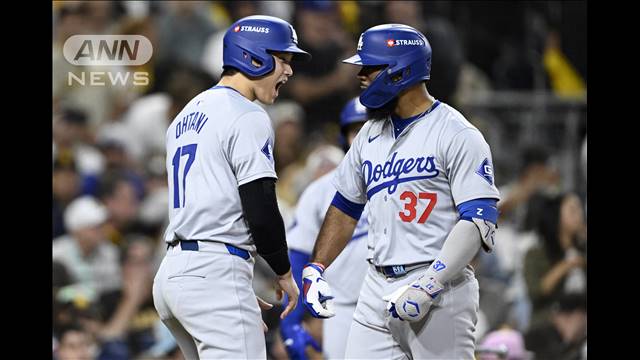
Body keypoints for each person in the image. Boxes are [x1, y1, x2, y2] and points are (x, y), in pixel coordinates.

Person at [301, 24, 501, 358]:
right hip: (375, 284)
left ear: (400, 70)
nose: (361, 75)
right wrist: (316, 267)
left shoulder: (456, 133)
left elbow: (479, 219)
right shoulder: (368, 135)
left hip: (440, 288)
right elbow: (345, 206)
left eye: (370, 67)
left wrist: (431, 283)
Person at [152, 15, 311, 359]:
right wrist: (283, 272)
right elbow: (261, 206)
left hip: (175, 274)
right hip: (212, 272)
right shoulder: (246, 114)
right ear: (254, 57)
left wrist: (232, 289)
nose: (289, 71)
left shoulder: (185, 116)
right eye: (283, 59)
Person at [280, 98, 370, 359]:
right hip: (342, 308)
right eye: (356, 131)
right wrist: (291, 321)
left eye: (369, 129)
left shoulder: (403, 181)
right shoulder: (321, 190)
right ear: (345, 138)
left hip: (395, 302)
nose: (363, 138)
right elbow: (298, 256)